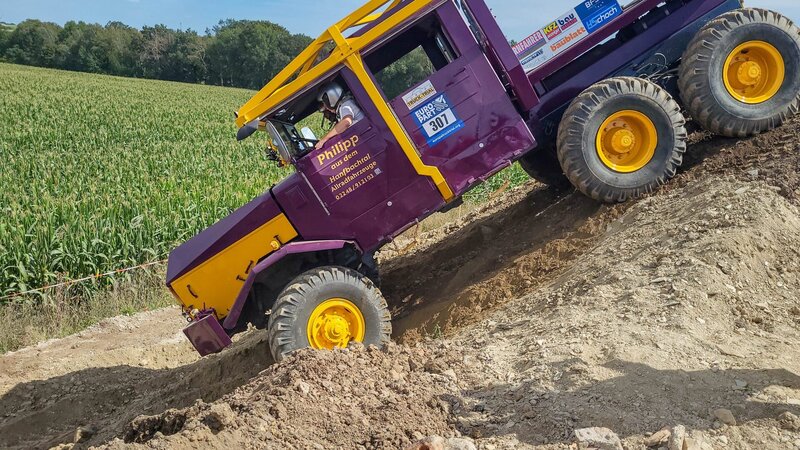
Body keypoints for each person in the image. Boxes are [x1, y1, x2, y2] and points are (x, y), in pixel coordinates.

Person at [314, 82, 365, 150]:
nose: (326, 107)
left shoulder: (345, 106)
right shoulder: (344, 105)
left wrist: (324, 139)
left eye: (325, 103)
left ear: (330, 97)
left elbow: (346, 122)